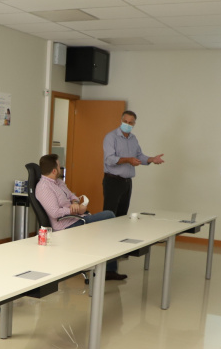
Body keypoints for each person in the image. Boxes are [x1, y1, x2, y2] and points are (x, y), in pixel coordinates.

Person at [35, 154, 122, 279]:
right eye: (59, 166)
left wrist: (75, 203)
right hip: (66, 225)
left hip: (77, 217)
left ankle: (108, 268)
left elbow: (72, 195)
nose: (61, 168)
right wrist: (73, 210)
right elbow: (54, 212)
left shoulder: (58, 182)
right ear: (54, 171)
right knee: (109, 215)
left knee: (107, 227)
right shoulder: (44, 187)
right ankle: (108, 269)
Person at [102, 110, 165, 279]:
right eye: (125, 121)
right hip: (113, 182)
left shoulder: (133, 139)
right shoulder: (111, 137)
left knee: (121, 222)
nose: (127, 124)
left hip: (127, 183)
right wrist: (128, 160)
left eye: (131, 122)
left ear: (134, 124)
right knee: (109, 222)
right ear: (120, 120)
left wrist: (151, 159)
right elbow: (109, 159)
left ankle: (112, 267)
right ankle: (105, 268)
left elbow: (139, 156)